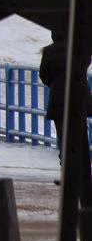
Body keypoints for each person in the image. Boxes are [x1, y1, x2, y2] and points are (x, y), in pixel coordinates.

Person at [38, 39, 92, 180]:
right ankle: (84, 173)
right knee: (80, 135)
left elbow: (44, 75)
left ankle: (67, 172)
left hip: (59, 99)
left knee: (63, 136)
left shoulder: (49, 51)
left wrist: (57, 85)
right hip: (80, 97)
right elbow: (85, 64)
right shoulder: (81, 47)